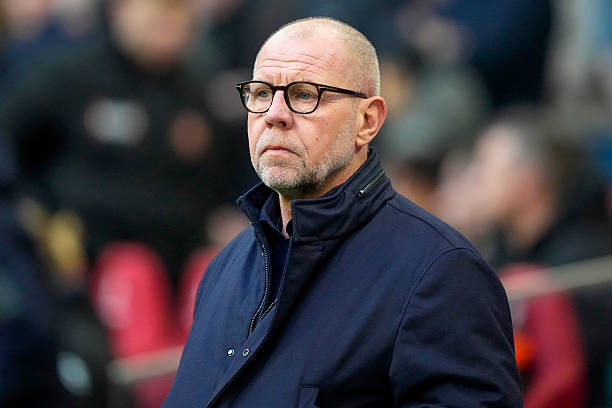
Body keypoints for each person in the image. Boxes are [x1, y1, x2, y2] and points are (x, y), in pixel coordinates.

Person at [163, 17, 522, 407]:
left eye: (305, 95)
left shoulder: (442, 274)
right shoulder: (225, 268)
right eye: (262, 92)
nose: (274, 114)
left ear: (367, 121)